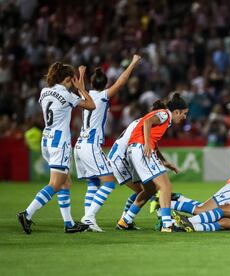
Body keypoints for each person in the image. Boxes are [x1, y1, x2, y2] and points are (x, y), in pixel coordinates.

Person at [17, 63, 95, 234]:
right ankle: (27, 214)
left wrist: (77, 80)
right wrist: (81, 87)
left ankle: (69, 224)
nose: (71, 84)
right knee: (56, 183)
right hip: (60, 143)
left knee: (65, 182)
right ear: (67, 79)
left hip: (47, 139)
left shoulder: (44, 91)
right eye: (71, 81)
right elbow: (91, 105)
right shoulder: (67, 95)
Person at [74, 55, 141, 232]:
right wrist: (133, 63)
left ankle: (88, 219)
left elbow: (80, 88)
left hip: (79, 145)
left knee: (93, 183)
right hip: (91, 144)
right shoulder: (102, 96)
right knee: (109, 182)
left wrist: (81, 74)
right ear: (105, 84)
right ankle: (89, 217)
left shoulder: (85, 94)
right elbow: (121, 81)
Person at [116, 93, 188, 232]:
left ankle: (125, 220)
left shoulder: (164, 117)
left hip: (134, 151)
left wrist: (164, 161)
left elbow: (153, 140)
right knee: (165, 186)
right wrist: (147, 143)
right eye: (184, 113)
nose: (184, 117)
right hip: (140, 149)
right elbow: (148, 122)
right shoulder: (165, 114)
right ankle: (167, 225)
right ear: (176, 111)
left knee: (149, 189)